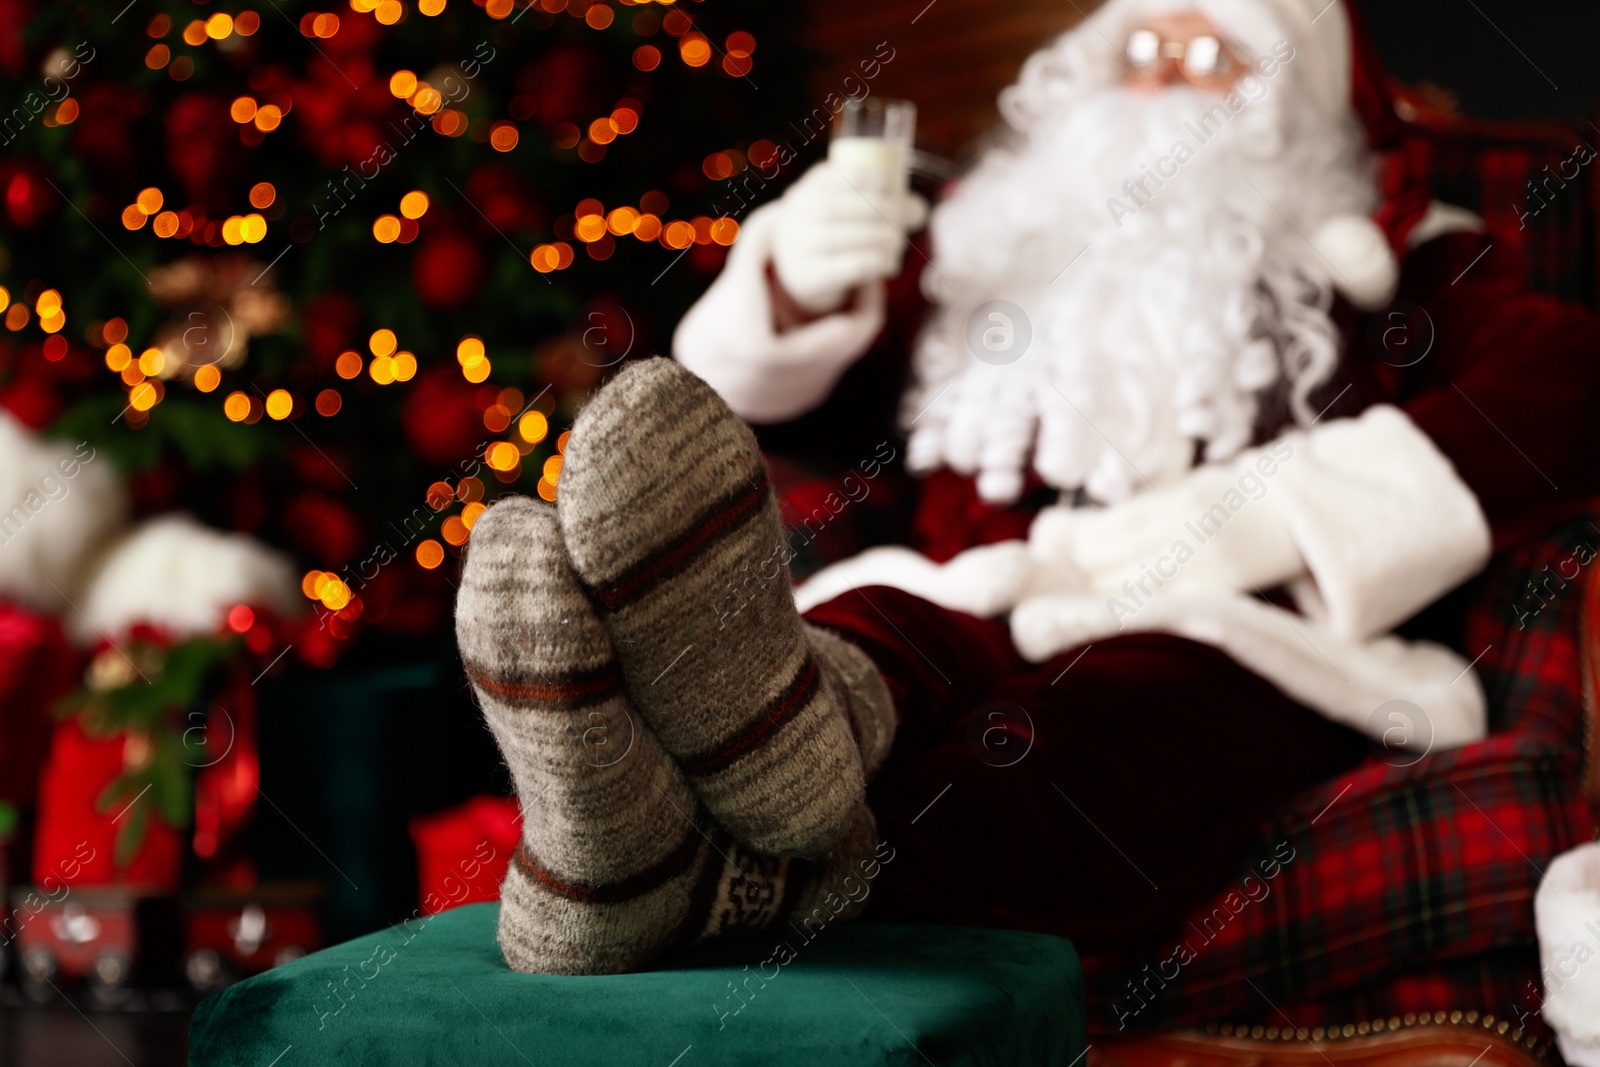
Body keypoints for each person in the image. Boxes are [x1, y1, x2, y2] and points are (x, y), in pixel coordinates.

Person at [454, 0, 1600, 1043]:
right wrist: (797, 290)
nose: (1160, 83)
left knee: (1066, 736)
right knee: (872, 627)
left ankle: (663, 868)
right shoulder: (998, 259)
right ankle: (667, 802)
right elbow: (807, 404)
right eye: (1141, 50)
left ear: (1293, 104)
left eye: (1212, 57)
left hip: (1230, 635)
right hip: (978, 593)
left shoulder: (1393, 263)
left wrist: (1253, 522)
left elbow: (1561, 388)